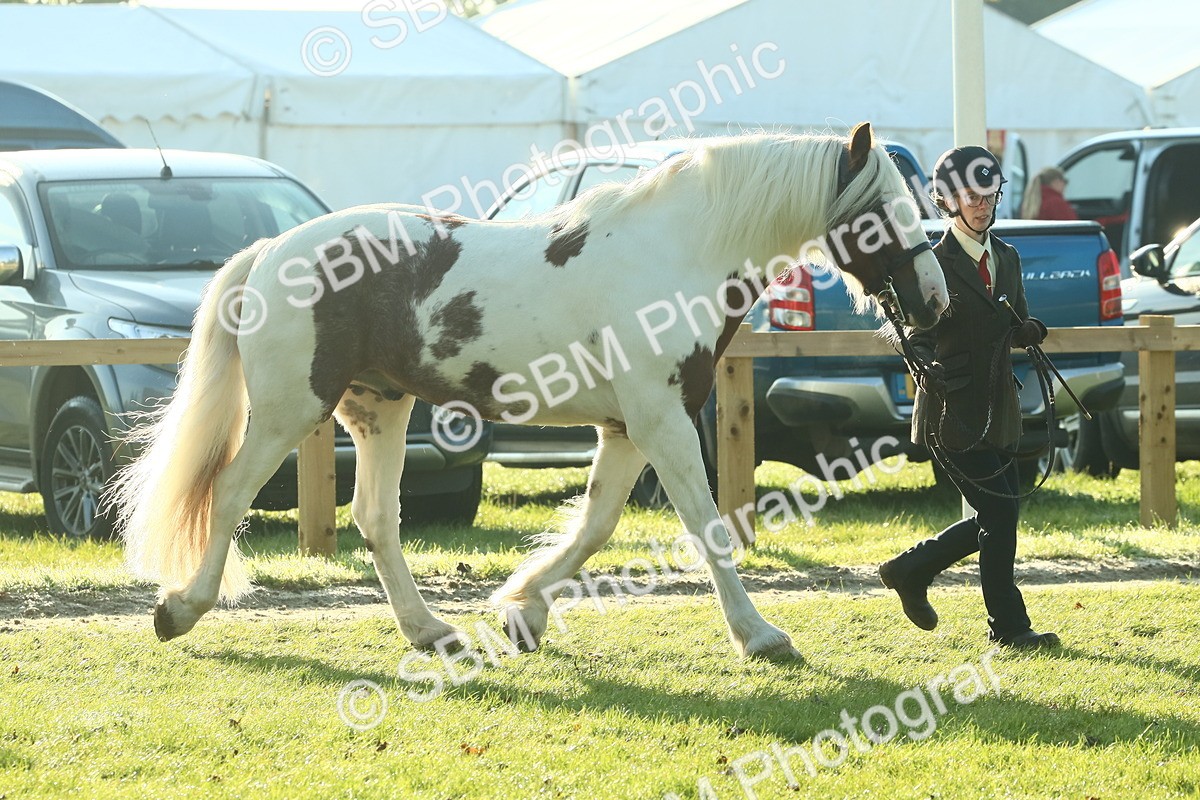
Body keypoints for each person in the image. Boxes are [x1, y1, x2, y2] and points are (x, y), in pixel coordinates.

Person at [879, 145, 1060, 650]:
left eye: (990, 195)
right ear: (946, 201)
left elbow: (1014, 316)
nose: (983, 205)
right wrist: (922, 360)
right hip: (951, 412)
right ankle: (1009, 627)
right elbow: (910, 331)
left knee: (995, 514)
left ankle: (910, 569)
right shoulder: (932, 263)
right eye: (971, 196)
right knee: (1000, 514)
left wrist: (1029, 329)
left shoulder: (1007, 257)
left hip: (998, 407)